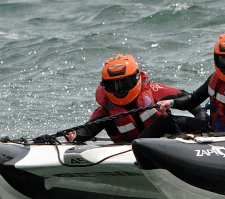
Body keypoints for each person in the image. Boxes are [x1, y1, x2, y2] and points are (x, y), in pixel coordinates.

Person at [64, 54, 204, 143]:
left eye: (124, 83)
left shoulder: (154, 91)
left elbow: (191, 101)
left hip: (165, 143)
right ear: (104, 86)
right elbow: (88, 130)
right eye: (113, 85)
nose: (119, 90)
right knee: (164, 120)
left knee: (166, 121)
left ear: (136, 78)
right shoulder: (106, 110)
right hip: (128, 151)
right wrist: (74, 134)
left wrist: (202, 122)